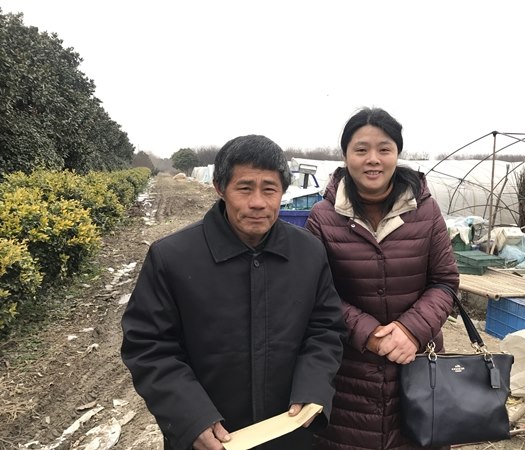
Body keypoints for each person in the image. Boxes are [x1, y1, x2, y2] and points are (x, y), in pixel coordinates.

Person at [121, 134, 345, 450]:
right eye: (244, 188)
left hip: (289, 433)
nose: (258, 202)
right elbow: (149, 346)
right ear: (220, 188)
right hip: (208, 439)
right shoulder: (172, 258)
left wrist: (313, 386)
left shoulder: (309, 253)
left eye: (270, 189)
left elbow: (326, 329)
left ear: (283, 191)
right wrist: (190, 418)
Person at [305, 107, 459, 450]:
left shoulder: (425, 210)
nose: (373, 159)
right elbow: (317, 292)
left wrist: (411, 330)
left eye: (384, 149)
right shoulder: (323, 217)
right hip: (349, 375)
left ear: (397, 153)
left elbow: (445, 281)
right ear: (345, 155)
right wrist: (368, 334)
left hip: (419, 367)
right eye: (361, 149)